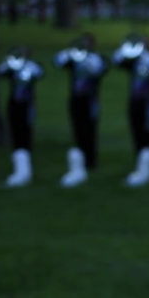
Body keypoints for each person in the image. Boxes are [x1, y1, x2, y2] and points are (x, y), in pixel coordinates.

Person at [53, 33, 110, 187]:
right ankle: (78, 159)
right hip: (75, 99)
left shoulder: (97, 59)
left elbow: (98, 70)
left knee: (90, 129)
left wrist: (85, 59)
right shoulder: (73, 59)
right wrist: (71, 51)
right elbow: (58, 61)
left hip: (91, 100)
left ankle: (91, 161)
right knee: (77, 127)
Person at [112, 34, 149, 187]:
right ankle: (140, 167)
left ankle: (147, 170)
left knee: (146, 135)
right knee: (135, 132)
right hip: (134, 103)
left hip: (147, 104)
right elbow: (117, 60)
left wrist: (142, 53)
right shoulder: (132, 60)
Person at [0, 46, 45, 187]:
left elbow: (40, 73)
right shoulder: (11, 67)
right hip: (14, 103)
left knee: (26, 131)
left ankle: (26, 163)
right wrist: (8, 62)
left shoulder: (32, 67)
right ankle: (17, 160)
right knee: (14, 129)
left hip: (28, 104)